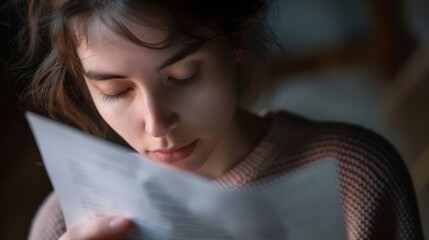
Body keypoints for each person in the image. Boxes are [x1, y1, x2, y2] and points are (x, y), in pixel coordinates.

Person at [15, 0, 423, 239]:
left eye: (183, 77)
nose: (157, 124)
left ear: (236, 43)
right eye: (116, 92)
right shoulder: (70, 219)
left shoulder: (350, 173)